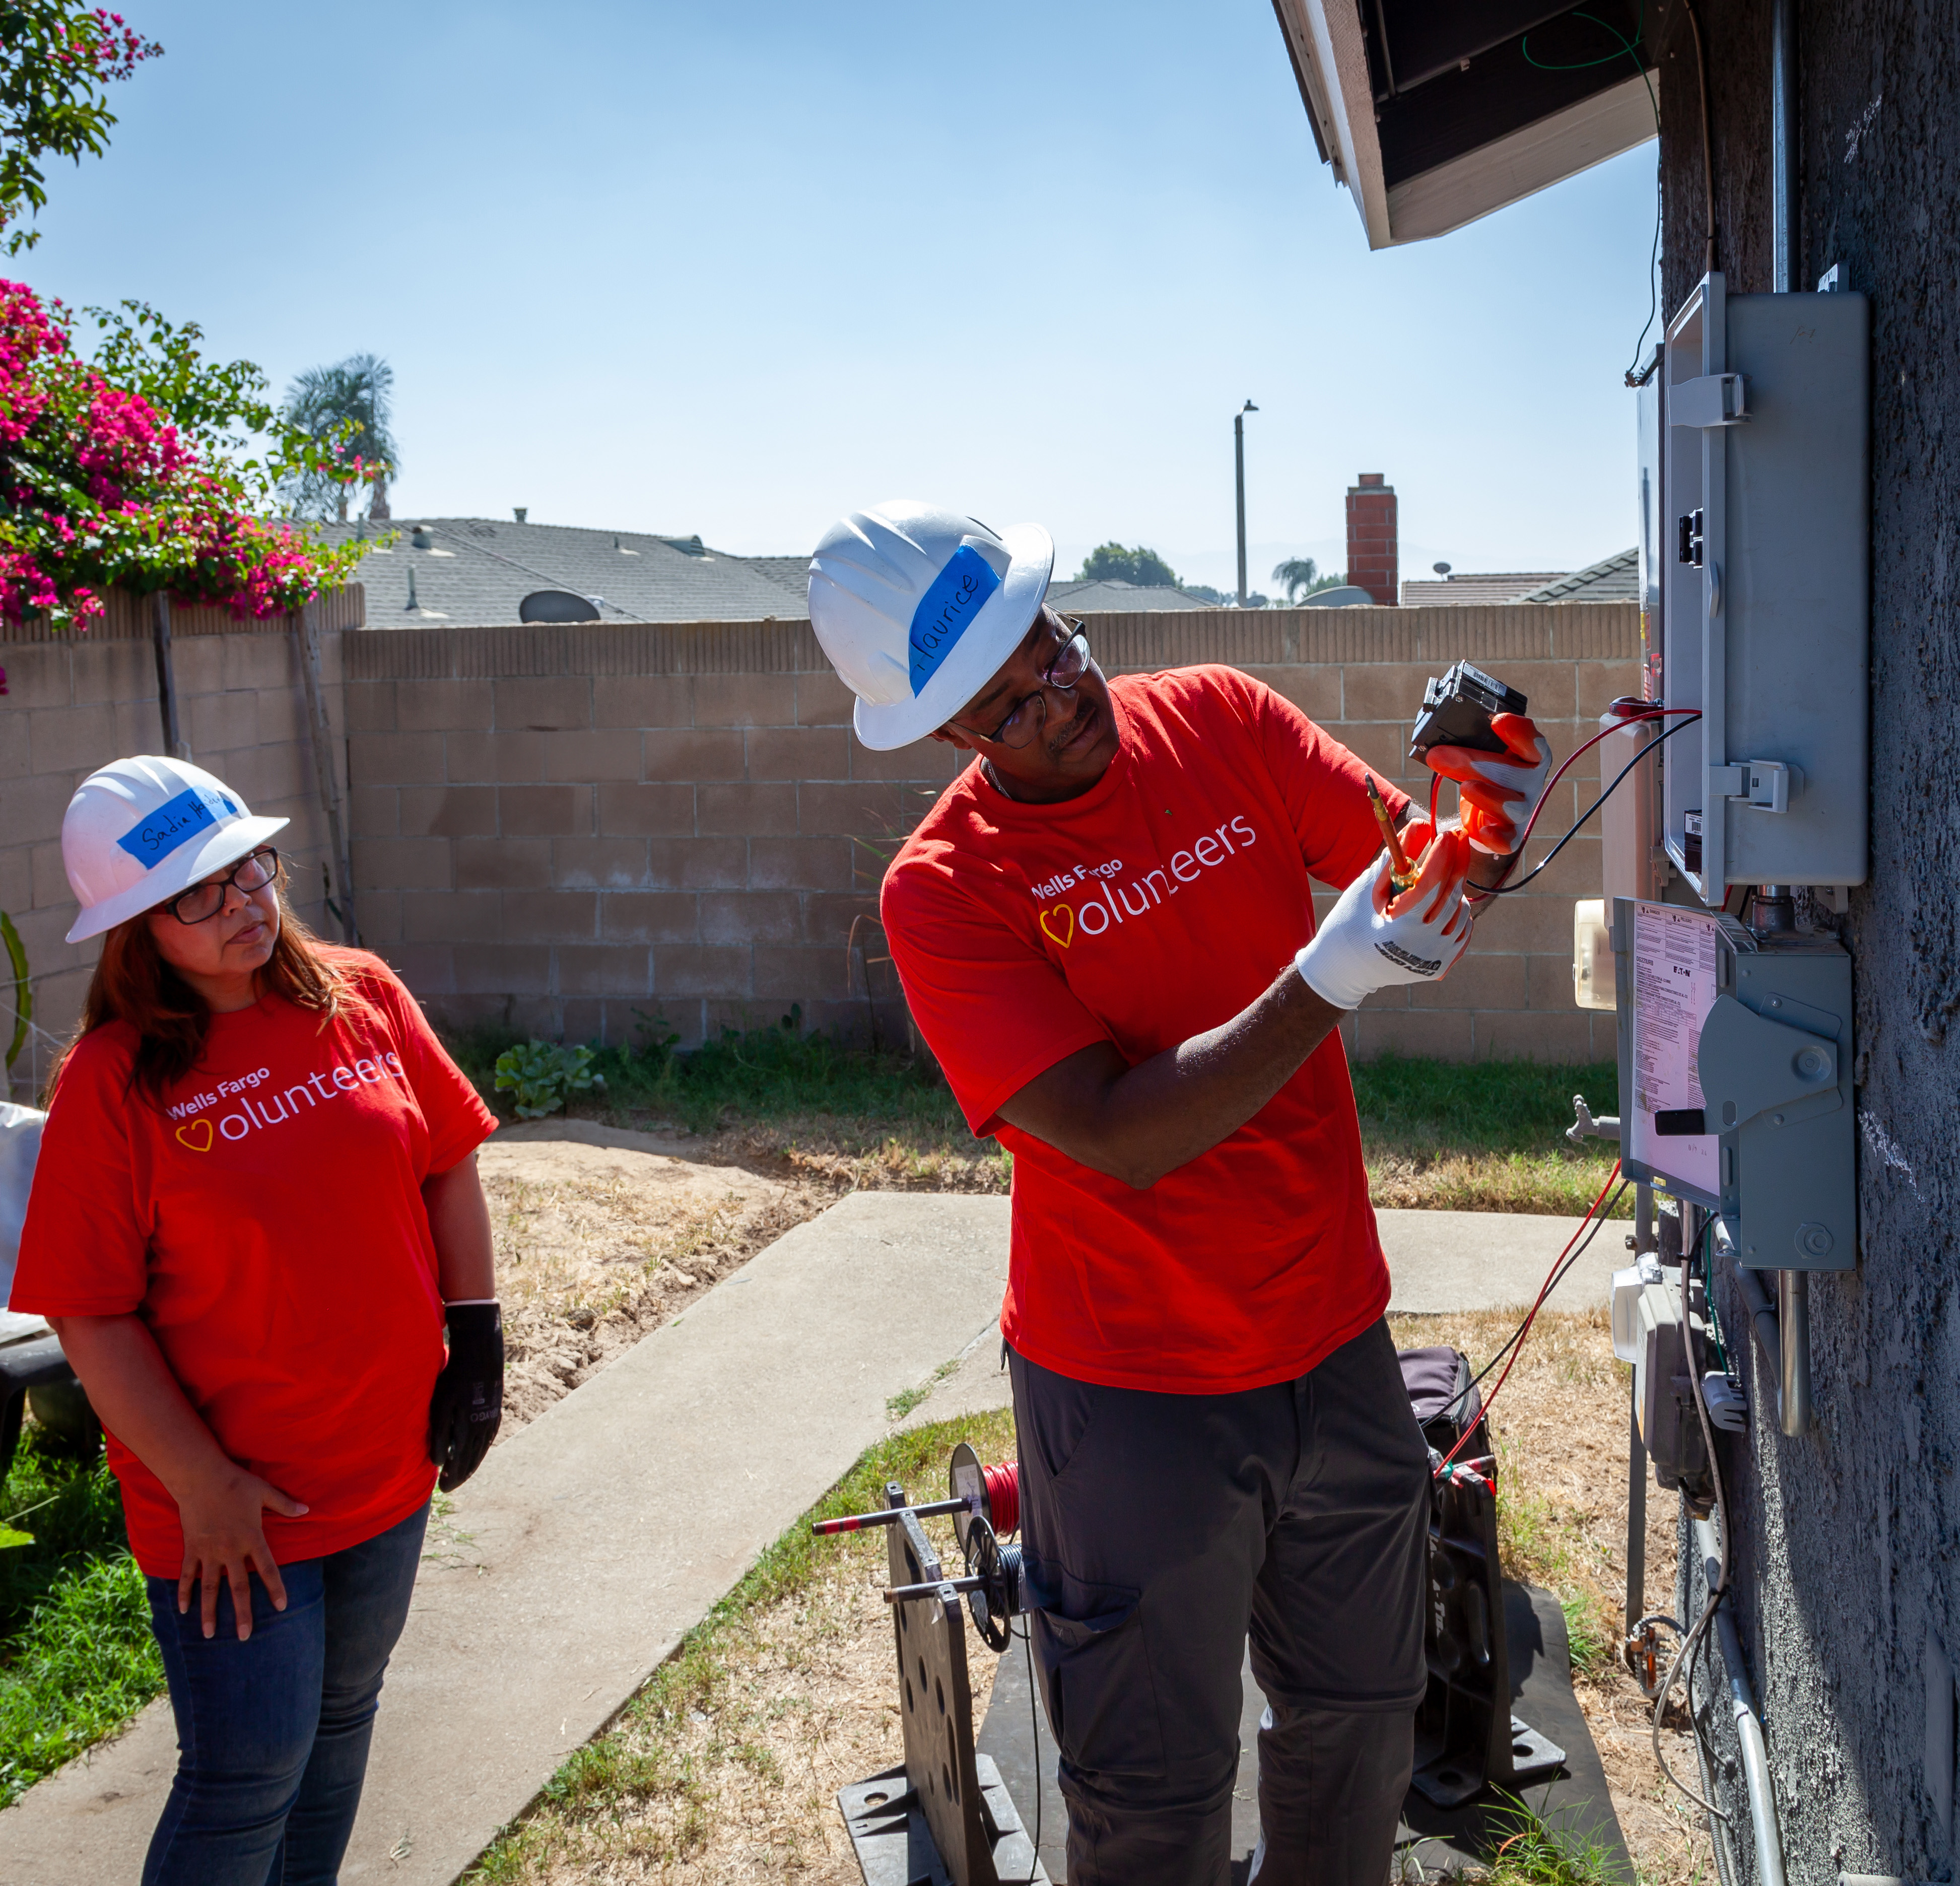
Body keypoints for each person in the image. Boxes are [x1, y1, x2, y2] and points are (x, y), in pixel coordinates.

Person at [806, 501, 1552, 1886]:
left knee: (1357, 1725)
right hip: (1131, 1390)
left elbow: (1418, 880)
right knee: (1149, 1796)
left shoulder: (1217, 715)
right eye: (1012, 701)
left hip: (1331, 1337)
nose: (1061, 695)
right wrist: (1324, 980)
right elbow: (1112, 1133)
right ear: (951, 736)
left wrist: (1487, 817)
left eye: (1056, 649)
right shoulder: (946, 893)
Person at [10, 756, 506, 1886]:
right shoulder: (113, 1080)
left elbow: (443, 1163)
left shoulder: (359, 991)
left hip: (384, 1464)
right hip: (234, 1511)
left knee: (339, 1735)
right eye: (198, 890)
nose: (242, 900)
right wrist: (200, 1484)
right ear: (135, 927)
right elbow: (92, 1318)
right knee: (245, 1781)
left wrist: (472, 1340)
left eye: (249, 868)